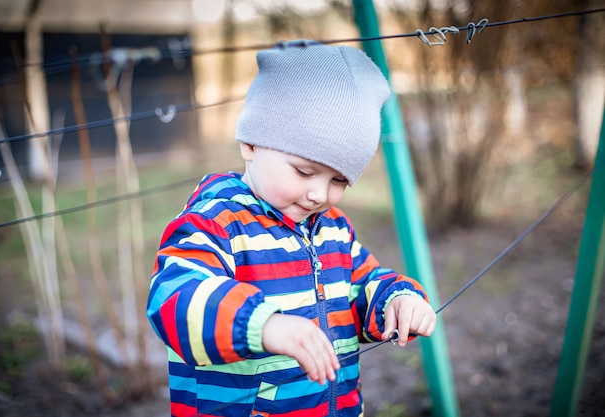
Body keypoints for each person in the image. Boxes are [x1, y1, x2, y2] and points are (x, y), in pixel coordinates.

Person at [147, 39, 437, 417]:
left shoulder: (332, 230)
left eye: (339, 180)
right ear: (250, 143)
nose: (318, 194)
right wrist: (265, 325)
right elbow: (174, 297)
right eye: (304, 171)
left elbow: (361, 287)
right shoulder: (215, 224)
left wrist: (397, 301)